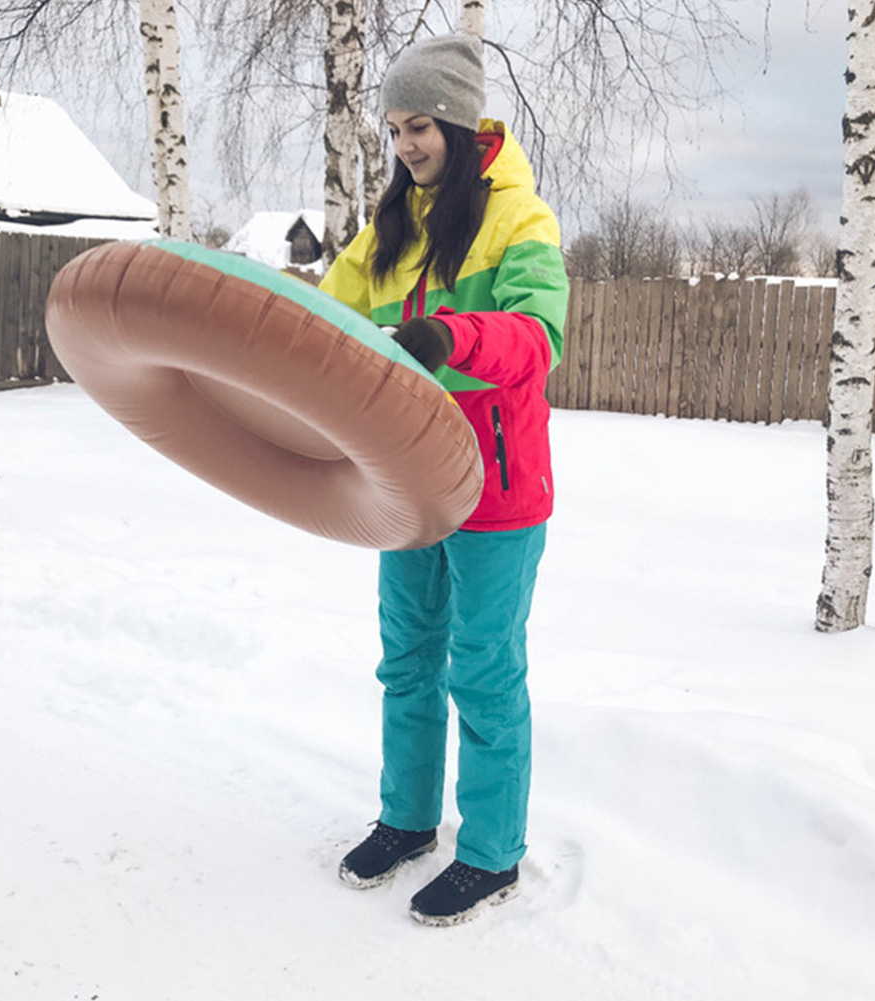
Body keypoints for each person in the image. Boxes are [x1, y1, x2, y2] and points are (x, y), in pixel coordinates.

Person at [319, 33, 569, 927]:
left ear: (458, 124)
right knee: (407, 663)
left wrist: (452, 337)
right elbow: (319, 313)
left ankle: (491, 852)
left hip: (496, 492)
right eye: (393, 130)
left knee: (483, 673)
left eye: (418, 125)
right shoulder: (388, 230)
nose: (406, 145)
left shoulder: (519, 220)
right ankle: (407, 818)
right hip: (408, 487)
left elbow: (539, 337)